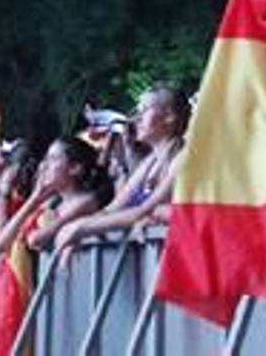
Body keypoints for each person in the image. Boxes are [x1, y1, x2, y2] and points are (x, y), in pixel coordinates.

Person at [52, 85, 190, 260]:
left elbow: (145, 210)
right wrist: (82, 227)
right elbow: (113, 209)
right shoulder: (150, 162)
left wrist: (82, 228)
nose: (135, 119)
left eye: (144, 110)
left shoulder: (183, 157)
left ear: (170, 117)